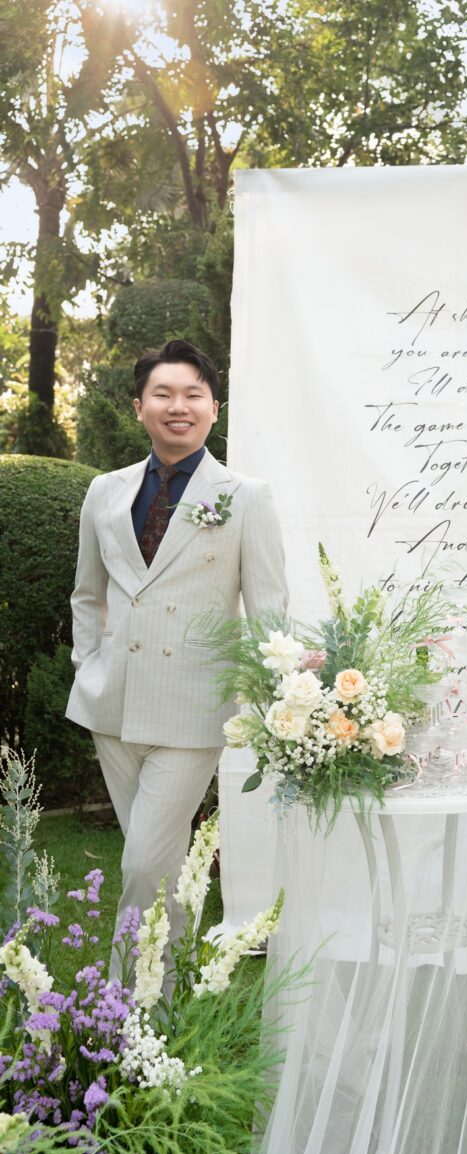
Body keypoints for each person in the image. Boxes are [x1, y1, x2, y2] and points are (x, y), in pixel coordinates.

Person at [66, 338, 289, 973]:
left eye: (194, 394)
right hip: (112, 703)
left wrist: (264, 698)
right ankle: (169, 994)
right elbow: (88, 594)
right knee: (160, 863)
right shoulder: (105, 492)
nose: (178, 406)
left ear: (215, 408)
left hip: (193, 709)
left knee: (141, 863)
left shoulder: (245, 495)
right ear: (140, 407)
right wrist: (88, 665)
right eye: (162, 393)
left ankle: (122, 1005)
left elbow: (268, 611)